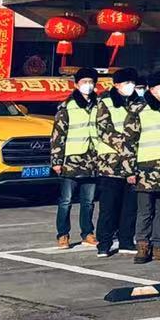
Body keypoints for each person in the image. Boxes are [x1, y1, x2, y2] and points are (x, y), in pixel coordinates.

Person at [130, 71, 160, 264]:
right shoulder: (139, 109)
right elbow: (129, 141)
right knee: (145, 211)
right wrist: (129, 170)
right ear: (151, 89)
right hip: (145, 168)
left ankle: (159, 245)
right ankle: (142, 245)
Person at [50, 67, 100, 249]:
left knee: (88, 201)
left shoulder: (98, 105)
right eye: (84, 82)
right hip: (71, 160)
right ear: (77, 84)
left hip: (92, 160)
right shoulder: (67, 106)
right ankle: (63, 234)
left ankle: (87, 233)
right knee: (66, 201)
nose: (88, 85)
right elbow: (58, 135)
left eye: (91, 82)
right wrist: (56, 161)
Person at [92, 67, 139, 258]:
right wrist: (126, 145)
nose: (131, 86)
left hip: (133, 164)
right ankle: (104, 243)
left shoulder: (139, 102)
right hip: (111, 163)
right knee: (109, 206)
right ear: (117, 85)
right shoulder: (105, 102)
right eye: (127, 83)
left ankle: (126, 240)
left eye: (133, 83)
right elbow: (104, 130)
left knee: (130, 206)